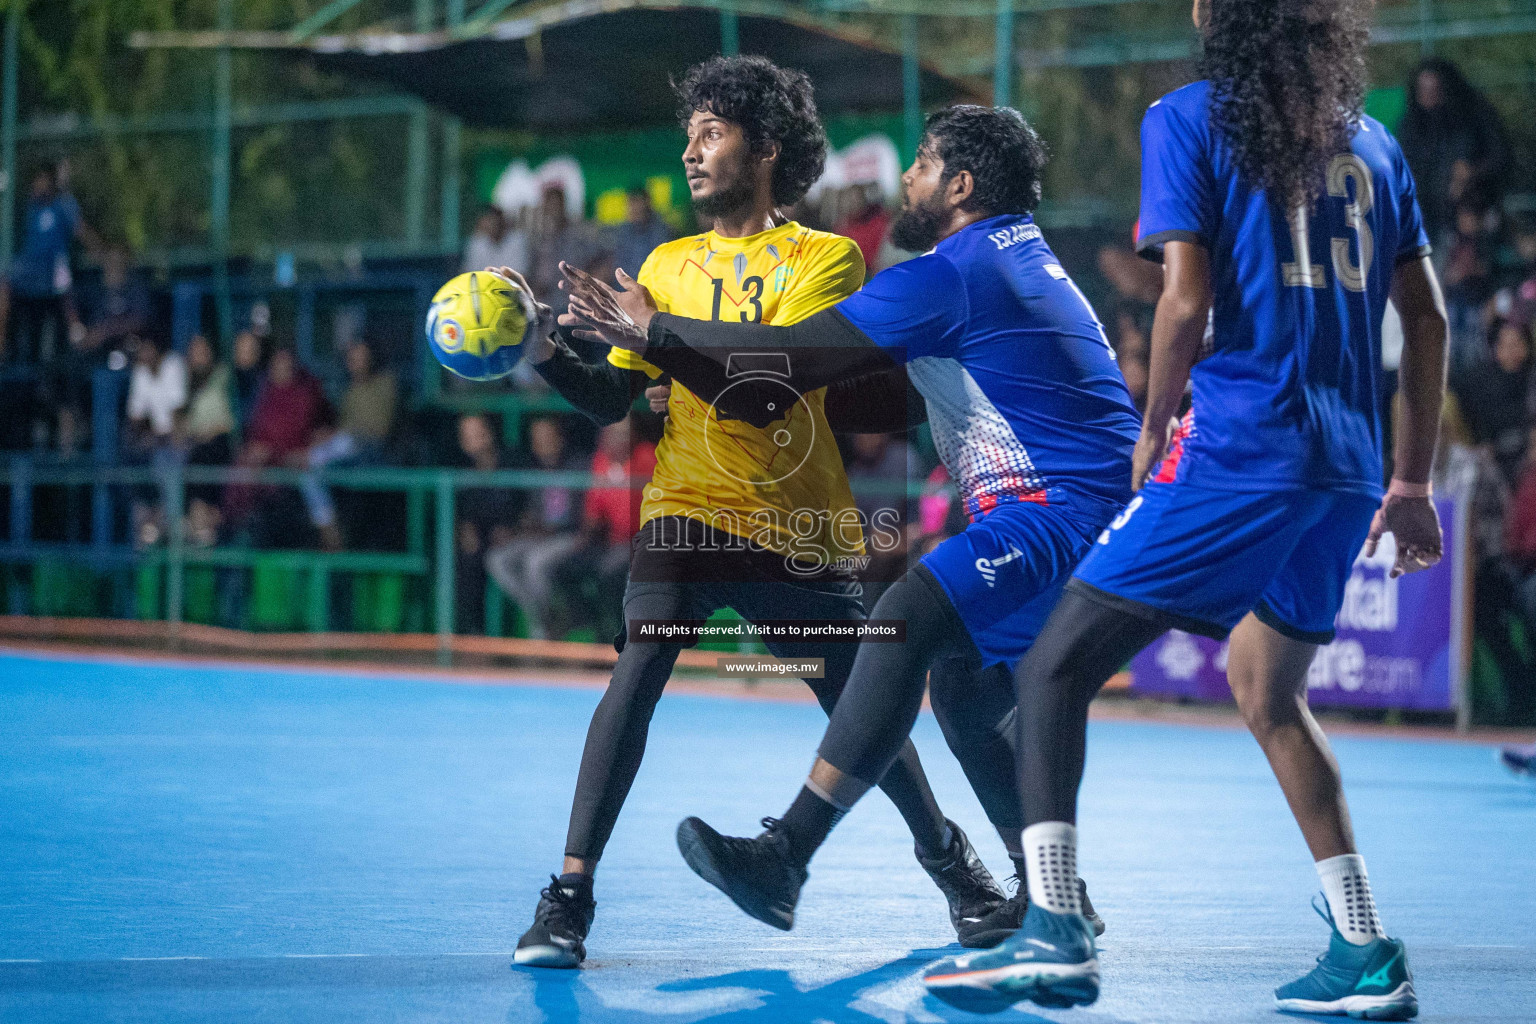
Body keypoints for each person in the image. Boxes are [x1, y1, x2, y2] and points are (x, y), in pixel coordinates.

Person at [918, 1, 1447, 1016]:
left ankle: (1055, 927)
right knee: (1267, 686)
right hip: (1343, 464)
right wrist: (1411, 481)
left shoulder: (1190, 116)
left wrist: (1156, 423)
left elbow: (1185, 297)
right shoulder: (1373, 142)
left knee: (1052, 665)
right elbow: (1421, 316)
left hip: (1245, 446)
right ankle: (1365, 944)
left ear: (1221, 14)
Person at [560, 103, 1138, 946]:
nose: (906, 178)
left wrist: (656, 331)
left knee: (901, 621)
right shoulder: (1014, 262)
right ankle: (1057, 895)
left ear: (961, 186)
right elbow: (861, 399)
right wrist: (686, 371)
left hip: (1053, 515)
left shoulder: (949, 274)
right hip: (1091, 518)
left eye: (923, 165)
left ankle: (786, 854)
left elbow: (770, 381)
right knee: (965, 689)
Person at [501, 56, 1004, 969]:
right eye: (687, 134)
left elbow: (765, 391)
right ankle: (567, 899)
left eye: (711, 133)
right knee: (638, 668)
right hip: (685, 512)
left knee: (856, 704)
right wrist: (537, 348)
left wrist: (652, 331)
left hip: (795, 530)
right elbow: (618, 404)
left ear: (766, 148)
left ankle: (956, 871)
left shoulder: (826, 258)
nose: (690, 152)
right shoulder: (664, 264)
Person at [483, 416, 585, 639]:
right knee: (497, 559)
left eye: (548, 437)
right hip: (539, 537)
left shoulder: (577, 466)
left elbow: (575, 520)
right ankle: (548, 617)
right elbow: (532, 516)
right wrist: (517, 531)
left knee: (535, 562)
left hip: (570, 537)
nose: (543, 443)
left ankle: (543, 631)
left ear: (560, 438)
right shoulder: (533, 470)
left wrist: (544, 529)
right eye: (537, 439)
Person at [1396, 58, 1511, 248]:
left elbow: (1500, 156)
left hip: (1474, 213)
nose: (1428, 97)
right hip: (1428, 217)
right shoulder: (1412, 125)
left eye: (1434, 90)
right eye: (1423, 90)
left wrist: (1472, 173)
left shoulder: (1474, 116)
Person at [300, 340, 397, 550]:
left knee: (320, 456)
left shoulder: (385, 383)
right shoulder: (348, 391)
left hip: (372, 452)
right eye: (353, 358)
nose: (357, 362)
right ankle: (329, 530)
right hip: (346, 452)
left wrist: (340, 434)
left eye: (362, 357)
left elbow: (379, 428)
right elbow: (343, 427)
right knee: (309, 469)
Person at [1, 162, 97, 365]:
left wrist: (100, 251)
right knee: (4, 286)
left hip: (54, 267)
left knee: (64, 283)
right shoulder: (29, 208)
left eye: (42, 180)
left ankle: (77, 331)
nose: (38, 185)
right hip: (29, 269)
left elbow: (82, 231)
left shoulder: (63, 205)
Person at [609, 186, 673, 280]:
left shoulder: (661, 232)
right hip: (624, 288)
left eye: (637, 203)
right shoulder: (624, 231)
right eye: (631, 203)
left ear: (647, 203)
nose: (634, 208)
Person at [462, 205, 529, 277]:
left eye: (496, 219)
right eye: (489, 220)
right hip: (483, 286)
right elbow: (471, 275)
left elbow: (520, 276)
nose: (493, 224)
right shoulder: (477, 243)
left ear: (503, 220)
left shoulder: (517, 240)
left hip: (510, 287)